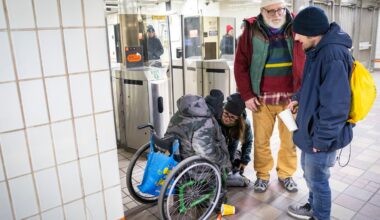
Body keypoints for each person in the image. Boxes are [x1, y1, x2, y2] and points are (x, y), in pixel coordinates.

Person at [286, 7, 353, 220]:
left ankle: (320, 216)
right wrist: (297, 97)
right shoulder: (317, 50)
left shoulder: (332, 54)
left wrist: (322, 140)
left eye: (299, 33)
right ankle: (313, 207)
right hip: (311, 130)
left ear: (313, 33)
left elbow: (336, 105)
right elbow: (311, 85)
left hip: (321, 135)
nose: (296, 38)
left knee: (318, 180)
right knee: (309, 173)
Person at [234, 0, 305, 193]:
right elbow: (240, 65)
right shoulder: (250, 31)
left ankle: (286, 174)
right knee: (261, 141)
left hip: (290, 101)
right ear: (262, 11)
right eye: (271, 11)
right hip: (261, 101)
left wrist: (300, 94)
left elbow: (308, 57)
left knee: (289, 141)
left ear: (285, 8)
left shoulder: (297, 26)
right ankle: (262, 175)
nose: (276, 14)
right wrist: (247, 95)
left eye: (280, 9)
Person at [219, 93, 253, 174]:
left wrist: (244, 161)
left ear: (238, 119)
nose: (227, 119)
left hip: (232, 144)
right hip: (218, 145)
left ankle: (235, 156)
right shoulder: (217, 116)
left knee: (230, 165)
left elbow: (248, 142)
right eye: (226, 114)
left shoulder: (245, 124)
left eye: (232, 117)